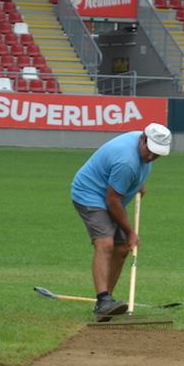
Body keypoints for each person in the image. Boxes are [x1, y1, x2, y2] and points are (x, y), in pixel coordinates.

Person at [70, 123, 173, 319]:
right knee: (105, 244)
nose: (151, 157)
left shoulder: (138, 147)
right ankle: (103, 301)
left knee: (122, 248)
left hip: (110, 197)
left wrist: (137, 183)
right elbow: (112, 200)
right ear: (143, 139)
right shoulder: (126, 160)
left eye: (157, 155)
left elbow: (127, 176)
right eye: (150, 151)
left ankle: (106, 301)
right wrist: (131, 232)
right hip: (90, 194)